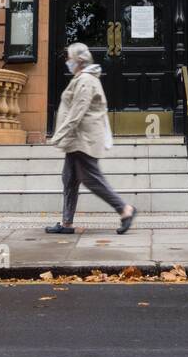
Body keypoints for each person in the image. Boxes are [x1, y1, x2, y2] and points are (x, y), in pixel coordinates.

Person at [45, 42, 137, 235]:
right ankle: (67, 223)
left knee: (90, 178)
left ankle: (124, 209)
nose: (67, 62)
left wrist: (58, 136)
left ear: (78, 60)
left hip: (83, 139)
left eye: (69, 58)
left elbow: (78, 110)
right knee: (69, 178)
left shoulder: (86, 80)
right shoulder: (82, 78)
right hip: (77, 139)